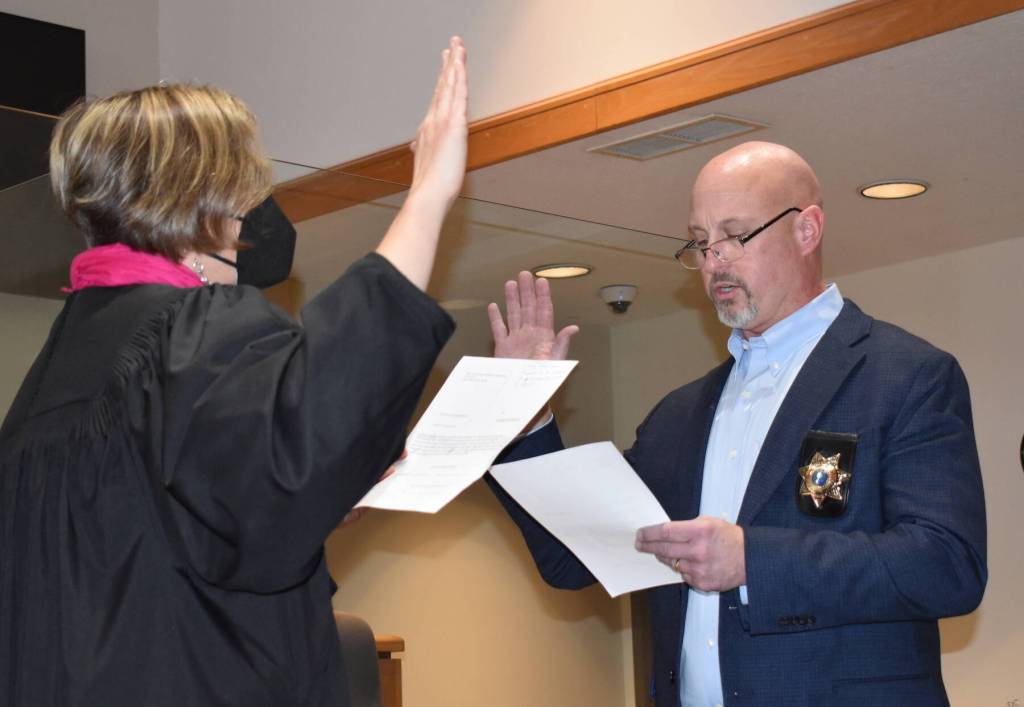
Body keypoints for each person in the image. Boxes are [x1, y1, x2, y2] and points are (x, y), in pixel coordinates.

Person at [0, 38, 467, 706]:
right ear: (208, 195)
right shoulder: (186, 333)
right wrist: (427, 197)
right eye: (245, 188)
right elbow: (309, 428)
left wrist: (317, 506)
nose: (253, 211)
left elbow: (169, 542)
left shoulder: (56, 369)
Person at [487, 141, 987, 706]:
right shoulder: (678, 416)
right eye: (701, 242)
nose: (713, 260)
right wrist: (526, 418)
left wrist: (753, 560)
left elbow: (947, 566)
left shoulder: (907, 377)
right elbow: (573, 556)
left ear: (807, 230)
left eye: (734, 236)